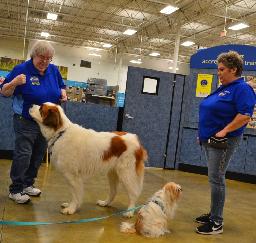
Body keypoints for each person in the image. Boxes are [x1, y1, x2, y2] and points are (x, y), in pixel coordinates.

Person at [196, 51, 256, 235]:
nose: (218, 73)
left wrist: (224, 131)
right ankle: (214, 213)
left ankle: (216, 223)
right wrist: (203, 134)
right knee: (214, 178)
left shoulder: (242, 89)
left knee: (217, 179)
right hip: (210, 140)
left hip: (223, 141)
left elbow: (245, 115)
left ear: (234, 69)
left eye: (222, 70)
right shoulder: (225, 87)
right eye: (218, 69)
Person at [0, 41, 67, 204]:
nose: (45, 61)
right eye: (41, 57)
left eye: (49, 58)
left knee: (38, 154)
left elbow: (61, 85)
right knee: (24, 154)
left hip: (45, 123)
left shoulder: (53, 70)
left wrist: (63, 93)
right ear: (34, 55)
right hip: (26, 120)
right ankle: (16, 189)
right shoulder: (21, 69)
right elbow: (4, 92)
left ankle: (28, 184)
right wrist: (14, 82)